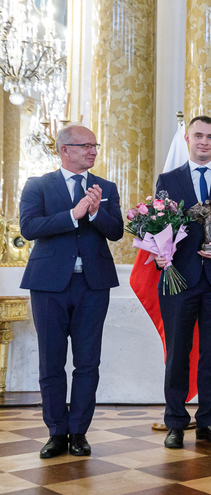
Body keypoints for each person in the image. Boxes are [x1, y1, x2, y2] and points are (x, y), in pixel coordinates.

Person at [19, 124, 124, 458]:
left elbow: (117, 231)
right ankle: (55, 431)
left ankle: (79, 431)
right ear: (64, 149)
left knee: (87, 362)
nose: (93, 151)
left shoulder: (104, 187)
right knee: (51, 362)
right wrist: (72, 214)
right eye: (85, 145)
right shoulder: (38, 185)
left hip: (93, 285)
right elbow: (29, 227)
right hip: (49, 285)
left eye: (95, 145)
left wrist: (95, 212)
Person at [154, 115, 211, 449]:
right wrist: (158, 254)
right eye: (198, 136)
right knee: (178, 352)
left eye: (210, 136)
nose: (204, 141)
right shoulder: (167, 179)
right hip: (179, 278)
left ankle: (208, 421)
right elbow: (157, 226)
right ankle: (176, 423)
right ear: (187, 140)